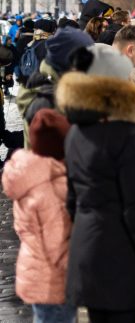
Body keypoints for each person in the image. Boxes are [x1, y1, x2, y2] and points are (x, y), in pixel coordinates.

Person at [59, 45, 135, 322]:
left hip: (87, 256)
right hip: (125, 262)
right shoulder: (130, 137)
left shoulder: (75, 133)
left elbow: (72, 203)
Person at [2, 109, 76, 323]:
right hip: (55, 279)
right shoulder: (51, 185)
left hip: (34, 271)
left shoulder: (27, 174)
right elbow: (57, 241)